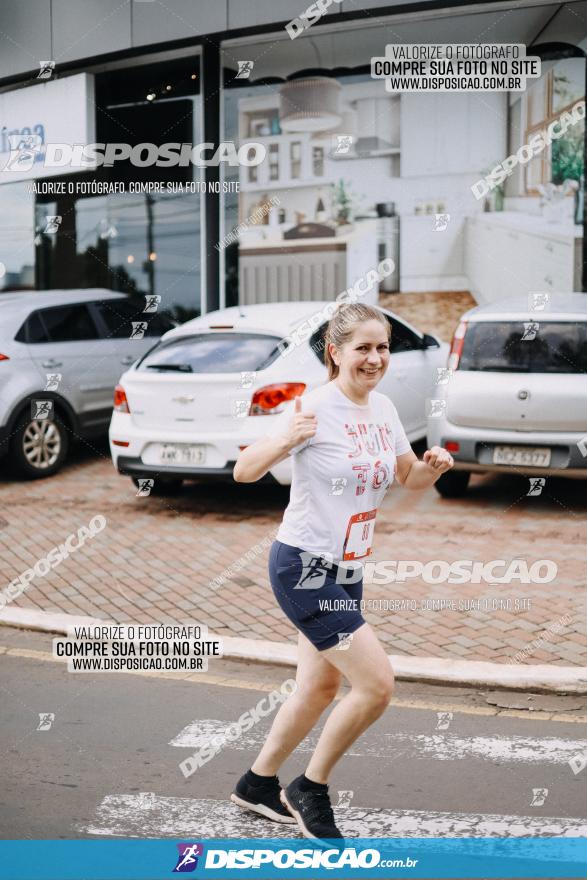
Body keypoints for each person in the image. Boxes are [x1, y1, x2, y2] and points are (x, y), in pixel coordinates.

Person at [230, 302, 454, 840]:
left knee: (318, 686)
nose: (375, 358)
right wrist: (285, 437)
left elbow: (408, 479)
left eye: (383, 348)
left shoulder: (384, 411)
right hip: (304, 566)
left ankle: (257, 785)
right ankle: (310, 786)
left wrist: (431, 466)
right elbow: (243, 471)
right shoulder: (313, 407)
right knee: (376, 685)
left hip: (349, 568)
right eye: (363, 348)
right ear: (335, 352)